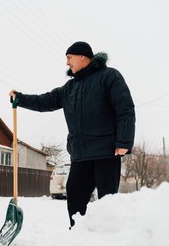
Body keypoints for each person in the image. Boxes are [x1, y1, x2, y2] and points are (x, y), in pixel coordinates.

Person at [9, 41, 135, 228]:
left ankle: (109, 238)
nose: (67, 63)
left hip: (106, 152)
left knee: (107, 201)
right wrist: (21, 99)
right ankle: (78, 235)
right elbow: (45, 101)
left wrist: (124, 141)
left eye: (69, 58)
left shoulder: (109, 77)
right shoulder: (70, 88)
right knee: (75, 195)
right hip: (80, 155)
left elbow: (125, 109)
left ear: (83, 56)